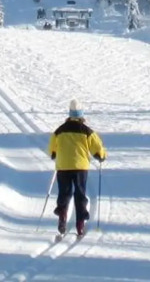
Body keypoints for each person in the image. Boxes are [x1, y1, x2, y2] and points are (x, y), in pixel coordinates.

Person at [47, 100, 106, 237]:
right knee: (80, 193)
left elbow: (52, 148)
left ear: (70, 114)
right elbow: (97, 147)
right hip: (80, 167)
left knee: (64, 192)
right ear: (81, 115)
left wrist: (54, 153)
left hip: (63, 166)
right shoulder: (87, 131)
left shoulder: (60, 130)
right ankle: (80, 223)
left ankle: (62, 214)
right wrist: (101, 155)